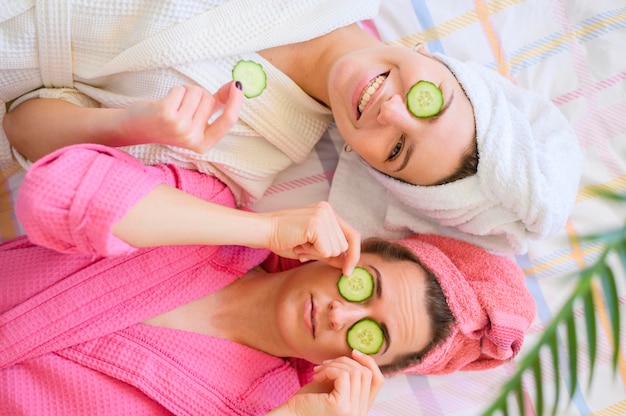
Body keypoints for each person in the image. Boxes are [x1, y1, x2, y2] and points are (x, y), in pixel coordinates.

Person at [0, 0, 581, 255]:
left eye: (398, 149)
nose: (391, 112)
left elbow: (22, 127)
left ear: (374, 169)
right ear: (441, 64)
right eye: (431, 101)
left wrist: (126, 126)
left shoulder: (252, 155)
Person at [0, 144, 536, 415]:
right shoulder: (209, 216)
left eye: (367, 334)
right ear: (349, 249)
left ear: (364, 365)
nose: (340, 313)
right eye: (364, 286)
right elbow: (48, 195)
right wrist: (261, 228)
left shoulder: (261, 406)